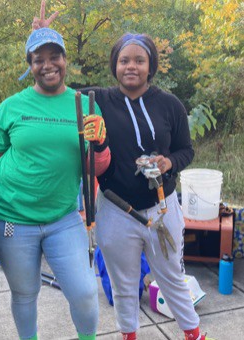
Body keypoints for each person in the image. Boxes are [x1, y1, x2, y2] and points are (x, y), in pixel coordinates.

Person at [33, 3, 214, 340]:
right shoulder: (96, 99)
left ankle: (194, 335)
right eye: (124, 60)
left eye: (139, 60)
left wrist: (169, 162)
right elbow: (53, 84)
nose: (131, 66)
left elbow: (186, 150)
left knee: (172, 277)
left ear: (150, 66)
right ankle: (128, 335)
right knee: (123, 283)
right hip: (116, 209)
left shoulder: (170, 104)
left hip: (163, 208)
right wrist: (42, 45)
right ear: (115, 65)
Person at [0, 25, 111, 340]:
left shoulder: (85, 105)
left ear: (65, 60)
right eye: (38, 59)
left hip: (63, 217)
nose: (47, 65)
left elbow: (95, 167)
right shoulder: (11, 106)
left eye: (54, 56)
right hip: (10, 218)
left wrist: (101, 144)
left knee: (84, 292)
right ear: (29, 66)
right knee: (25, 293)